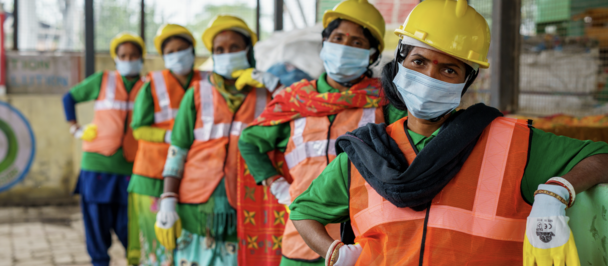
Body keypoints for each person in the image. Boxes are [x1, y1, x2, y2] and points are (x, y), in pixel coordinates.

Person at [288, 0, 608, 265]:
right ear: (398, 63)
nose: (430, 76)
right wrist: (334, 253)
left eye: (449, 69)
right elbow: (303, 211)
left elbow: (602, 157)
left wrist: (558, 190)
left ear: (466, 82)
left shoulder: (513, 143)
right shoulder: (367, 153)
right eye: (419, 61)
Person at [238, 1, 407, 265]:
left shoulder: (386, 102)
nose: (344, 47)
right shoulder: (295, 100)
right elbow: (249, 141)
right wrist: (277, 185)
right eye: (337, 38)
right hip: (302, 237)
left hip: (361, 239)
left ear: (372, 55)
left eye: (357, 43)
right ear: (324, 43)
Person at [153, 15, 280, 266]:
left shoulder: (268, 94)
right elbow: (177, 149)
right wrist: (168, 200)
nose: (226, 54)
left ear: (248, 50)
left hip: (250, 205)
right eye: (219, 50)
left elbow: (295, 127)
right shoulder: (197, 92)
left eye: (234, 47)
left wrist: (277, 87)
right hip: (196, 204)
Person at [62, 32, 146, 266]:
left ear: (142, 58)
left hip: (132, 169)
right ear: (116, 58)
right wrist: (75, 128)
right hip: (97, 167)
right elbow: (69, 98)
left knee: (129, 231)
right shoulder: (103, 80)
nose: (128, 59)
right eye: (123, 55)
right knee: (97, 234)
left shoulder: (149, 87)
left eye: (134, 55)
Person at [127, 24, 203, 266]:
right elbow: (138, 128)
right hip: (152, 175)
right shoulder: (152, 83)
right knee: (157, 242)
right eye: (171, 51)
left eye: (182, 49)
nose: (177, 55)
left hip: (193, 176)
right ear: (163, 56)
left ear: (193, 50)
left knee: (186, 243)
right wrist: (170, 135)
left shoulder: (207, 82)